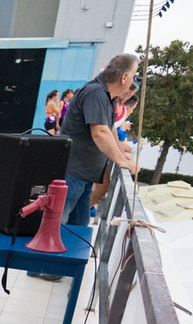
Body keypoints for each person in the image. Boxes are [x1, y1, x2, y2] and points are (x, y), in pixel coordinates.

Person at [60, 54, 138, 229]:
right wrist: (121, 161)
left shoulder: (107, 96)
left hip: (85, 174)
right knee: (59, 225)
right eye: (133, 75)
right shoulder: (96, 92)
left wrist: (123, 157)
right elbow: (100, 133)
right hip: (73, 173)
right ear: (124, 77)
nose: (133, 80)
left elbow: (109, 130)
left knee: (79, 225)